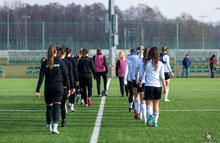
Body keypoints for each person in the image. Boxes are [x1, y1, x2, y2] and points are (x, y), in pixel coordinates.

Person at [36, 45, 69, 134]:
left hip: (48, 88)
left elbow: (41, 78)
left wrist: (37, 90)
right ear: (56, 52)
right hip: (58, 88)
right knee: (57, 107)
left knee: (49, 107)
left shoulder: (45, 63)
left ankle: (48, 125)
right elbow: (66, 76)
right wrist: (69, 88)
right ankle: (55, 127)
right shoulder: (60, 62)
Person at [139, 47, 166, 127]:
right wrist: (165, 88)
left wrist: (140, 81)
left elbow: (141, 74)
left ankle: (150, 116)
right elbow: (162, 77)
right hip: (158, 87)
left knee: (149, 104)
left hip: (148, 86)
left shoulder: (146, 62)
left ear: (150, 53)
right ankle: (155, 123)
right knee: (156, 105)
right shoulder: (160, 63)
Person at [136, 47, 149, 123]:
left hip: (141, 81)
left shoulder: (140, 61)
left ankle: (143, 118)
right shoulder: (151, 62)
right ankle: (145, 117)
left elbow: (137, 72)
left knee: (142, 100)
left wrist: (138, 80)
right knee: (148, 101)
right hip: (149, 83)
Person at [66, 47, 79, 112]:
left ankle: (67, 104)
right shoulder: (72, 60)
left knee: (66, 92)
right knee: (72, 91)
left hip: (64, 78)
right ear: (70, 53)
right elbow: (75, 70)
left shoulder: (63, 60)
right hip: (71, 78)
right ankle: (71, 105)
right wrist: (77, 79)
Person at [131, 46, 143, 119]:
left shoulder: (133, 57)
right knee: (142, 99)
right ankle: (140, 114)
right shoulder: (144, 59)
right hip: (142, 80)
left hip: (134, 78)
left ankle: (137, 110)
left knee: (136, 96)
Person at [124, 48, 136, 112]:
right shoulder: (137, 60)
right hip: (135, 79)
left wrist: (125, 80)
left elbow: (126, 71)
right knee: (135, 94)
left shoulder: (128, 61)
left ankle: (130, 107)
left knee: (131, 93)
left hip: (129, 79)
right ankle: (134, 106)